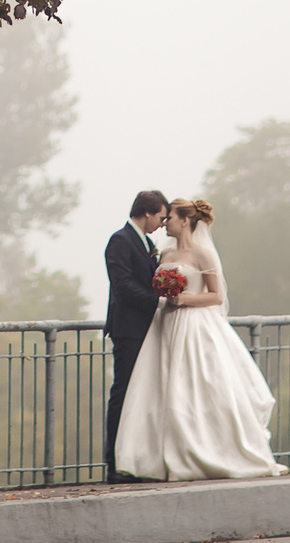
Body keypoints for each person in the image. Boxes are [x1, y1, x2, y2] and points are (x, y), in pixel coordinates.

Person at [112, 198, 287, 482]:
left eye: (170, 218)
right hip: (165, 326)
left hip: (194, 325)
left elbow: (216, 296)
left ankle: (203, 450)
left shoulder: (203, 255)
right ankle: (159, 456)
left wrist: (184, 298)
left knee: (195, 387)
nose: (165, 223)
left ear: (185, 221)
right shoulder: (164, 254)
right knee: (161, 389)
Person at [101, 189, 170, 481]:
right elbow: (123, 285)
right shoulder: (120, 240)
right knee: (123, 393)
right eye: (161, 217)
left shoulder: (146, 243)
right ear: (147, 212)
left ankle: (137, 459)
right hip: (128, 329)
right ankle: (114, 464)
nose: (162, 224)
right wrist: (160, 301)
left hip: (145, 329)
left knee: (141, 396)